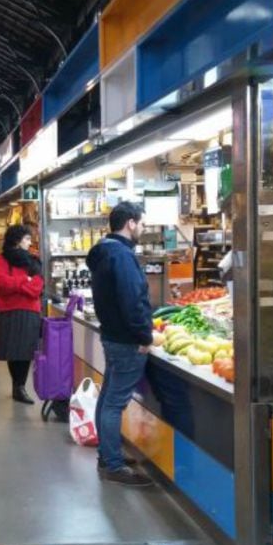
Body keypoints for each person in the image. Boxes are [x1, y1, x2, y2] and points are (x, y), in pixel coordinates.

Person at [86, 202, 155, 487]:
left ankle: (108, 454)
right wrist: (144, 336)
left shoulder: (103, 252)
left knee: (108, 398)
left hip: (112, 336)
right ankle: (113, 464)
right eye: (141, 223)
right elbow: (131, 300)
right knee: (114, 403)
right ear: (130, 223)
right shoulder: (122, 256)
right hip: (127, 341)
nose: (143, 228)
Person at [0, 225, 44, 405]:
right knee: (13, 350)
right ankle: (17, 387)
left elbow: (37, 288)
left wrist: (19, 285)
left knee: (26, 351)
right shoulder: (1, 259)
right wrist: (25, 281)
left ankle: (20, 386)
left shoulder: (34, 261)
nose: (30, 243)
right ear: (17, 240)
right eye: (27, 239)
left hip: (30, 310)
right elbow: (1, 285)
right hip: (10, 310)